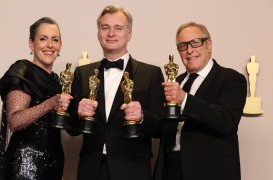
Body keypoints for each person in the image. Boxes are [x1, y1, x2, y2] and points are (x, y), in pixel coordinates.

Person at [69, 5, 165, 180]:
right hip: (91, 169)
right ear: (98, 33)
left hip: (132, 169)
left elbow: (161, 127)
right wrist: (77, 112)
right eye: (105, 27)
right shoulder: (82, 74)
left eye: (118, 28)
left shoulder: (151, 73)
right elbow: (72, 129)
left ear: (130, 34)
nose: (111, 33)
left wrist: (142, 116)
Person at [154, 22, 247, 180]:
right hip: (171, 169)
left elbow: (226, 120)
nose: (189, 50)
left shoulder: (231, 79)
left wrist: (184, 99)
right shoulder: (176, 81)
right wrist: (140, 116)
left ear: (209, 45)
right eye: (183, 46)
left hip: (210, 171)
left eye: (195, 43)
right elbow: (161, 127)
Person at [0, 17, 73, 180]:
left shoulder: (58, 81)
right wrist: (51, 103)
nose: (50, 45)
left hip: (54, 163)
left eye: (55, 40)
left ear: (60, 46)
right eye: (43, 39)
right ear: (31, 43)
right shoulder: (23, 72)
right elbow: (15, 121)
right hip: (25, 164)